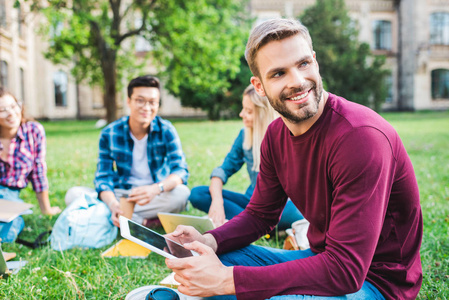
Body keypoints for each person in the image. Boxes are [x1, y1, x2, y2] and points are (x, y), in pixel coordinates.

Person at [164, 19, 423, 300]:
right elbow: (260, 215)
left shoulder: (360, 137)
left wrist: (228, 281)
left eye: (303, 64)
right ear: (259, 86)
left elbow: (346, 271)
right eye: (278, 74)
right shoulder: (276, 136)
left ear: (315, 61)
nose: (297, 81)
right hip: (319, 260)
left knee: (224, 279)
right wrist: (209, 240)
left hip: (374, 283)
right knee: (214, 258)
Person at [66, 75, 190, 227]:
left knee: (182, 194)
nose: (146, 107)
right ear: (128, 101)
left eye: (152, 102)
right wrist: (112, 204)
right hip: (122, 195)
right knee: (73, 195)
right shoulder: (110, 133)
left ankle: (119, 218)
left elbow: (180, 170)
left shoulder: (167, 130)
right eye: (140, 100)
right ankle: (143, 222)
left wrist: (156, 189)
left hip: (152, 195)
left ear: (158, 104)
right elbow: (103, 177)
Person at [189, 84, 303, 229]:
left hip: (283, 206)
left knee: (298, 211)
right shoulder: (245, 136)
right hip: (252, 202)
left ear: (263, 114)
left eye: (248, 111)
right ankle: (250, 223)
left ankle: (246, 223)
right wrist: (217, 202)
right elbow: (223, 170)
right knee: (198, 194)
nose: (241, 114)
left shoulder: (288, 136)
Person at [0, 88, 61, 243]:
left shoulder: (33, 131)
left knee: (9, 230)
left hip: (11, 197)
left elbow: (38, 173)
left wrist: (46, 209)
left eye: (13, 106)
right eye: (2, 110)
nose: (11, 113)